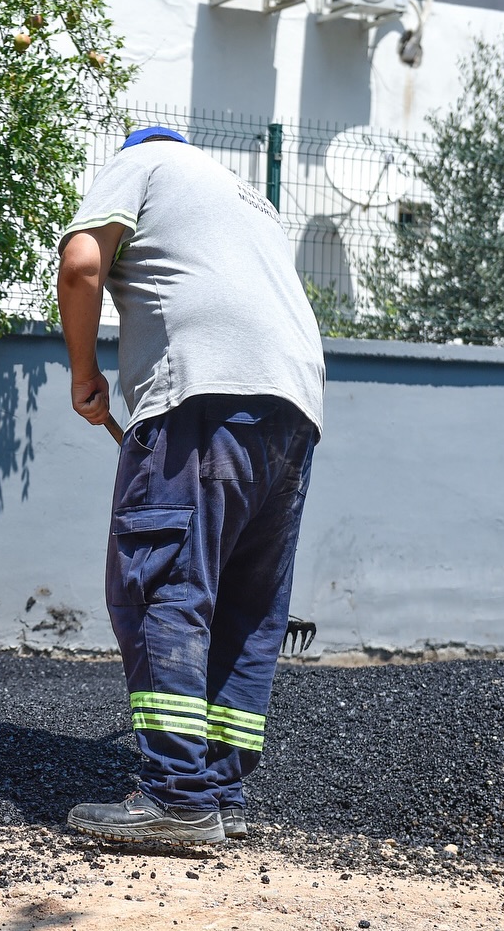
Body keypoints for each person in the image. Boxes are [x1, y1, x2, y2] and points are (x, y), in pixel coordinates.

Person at [55, 127, 325, 844]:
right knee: (247, 603)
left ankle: (177, 795)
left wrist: (86, 374)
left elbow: (81, 264)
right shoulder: (249, 201)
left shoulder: (139, 162)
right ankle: (218, 790)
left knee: (161, 586)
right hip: (293, 412)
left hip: (200, 400)